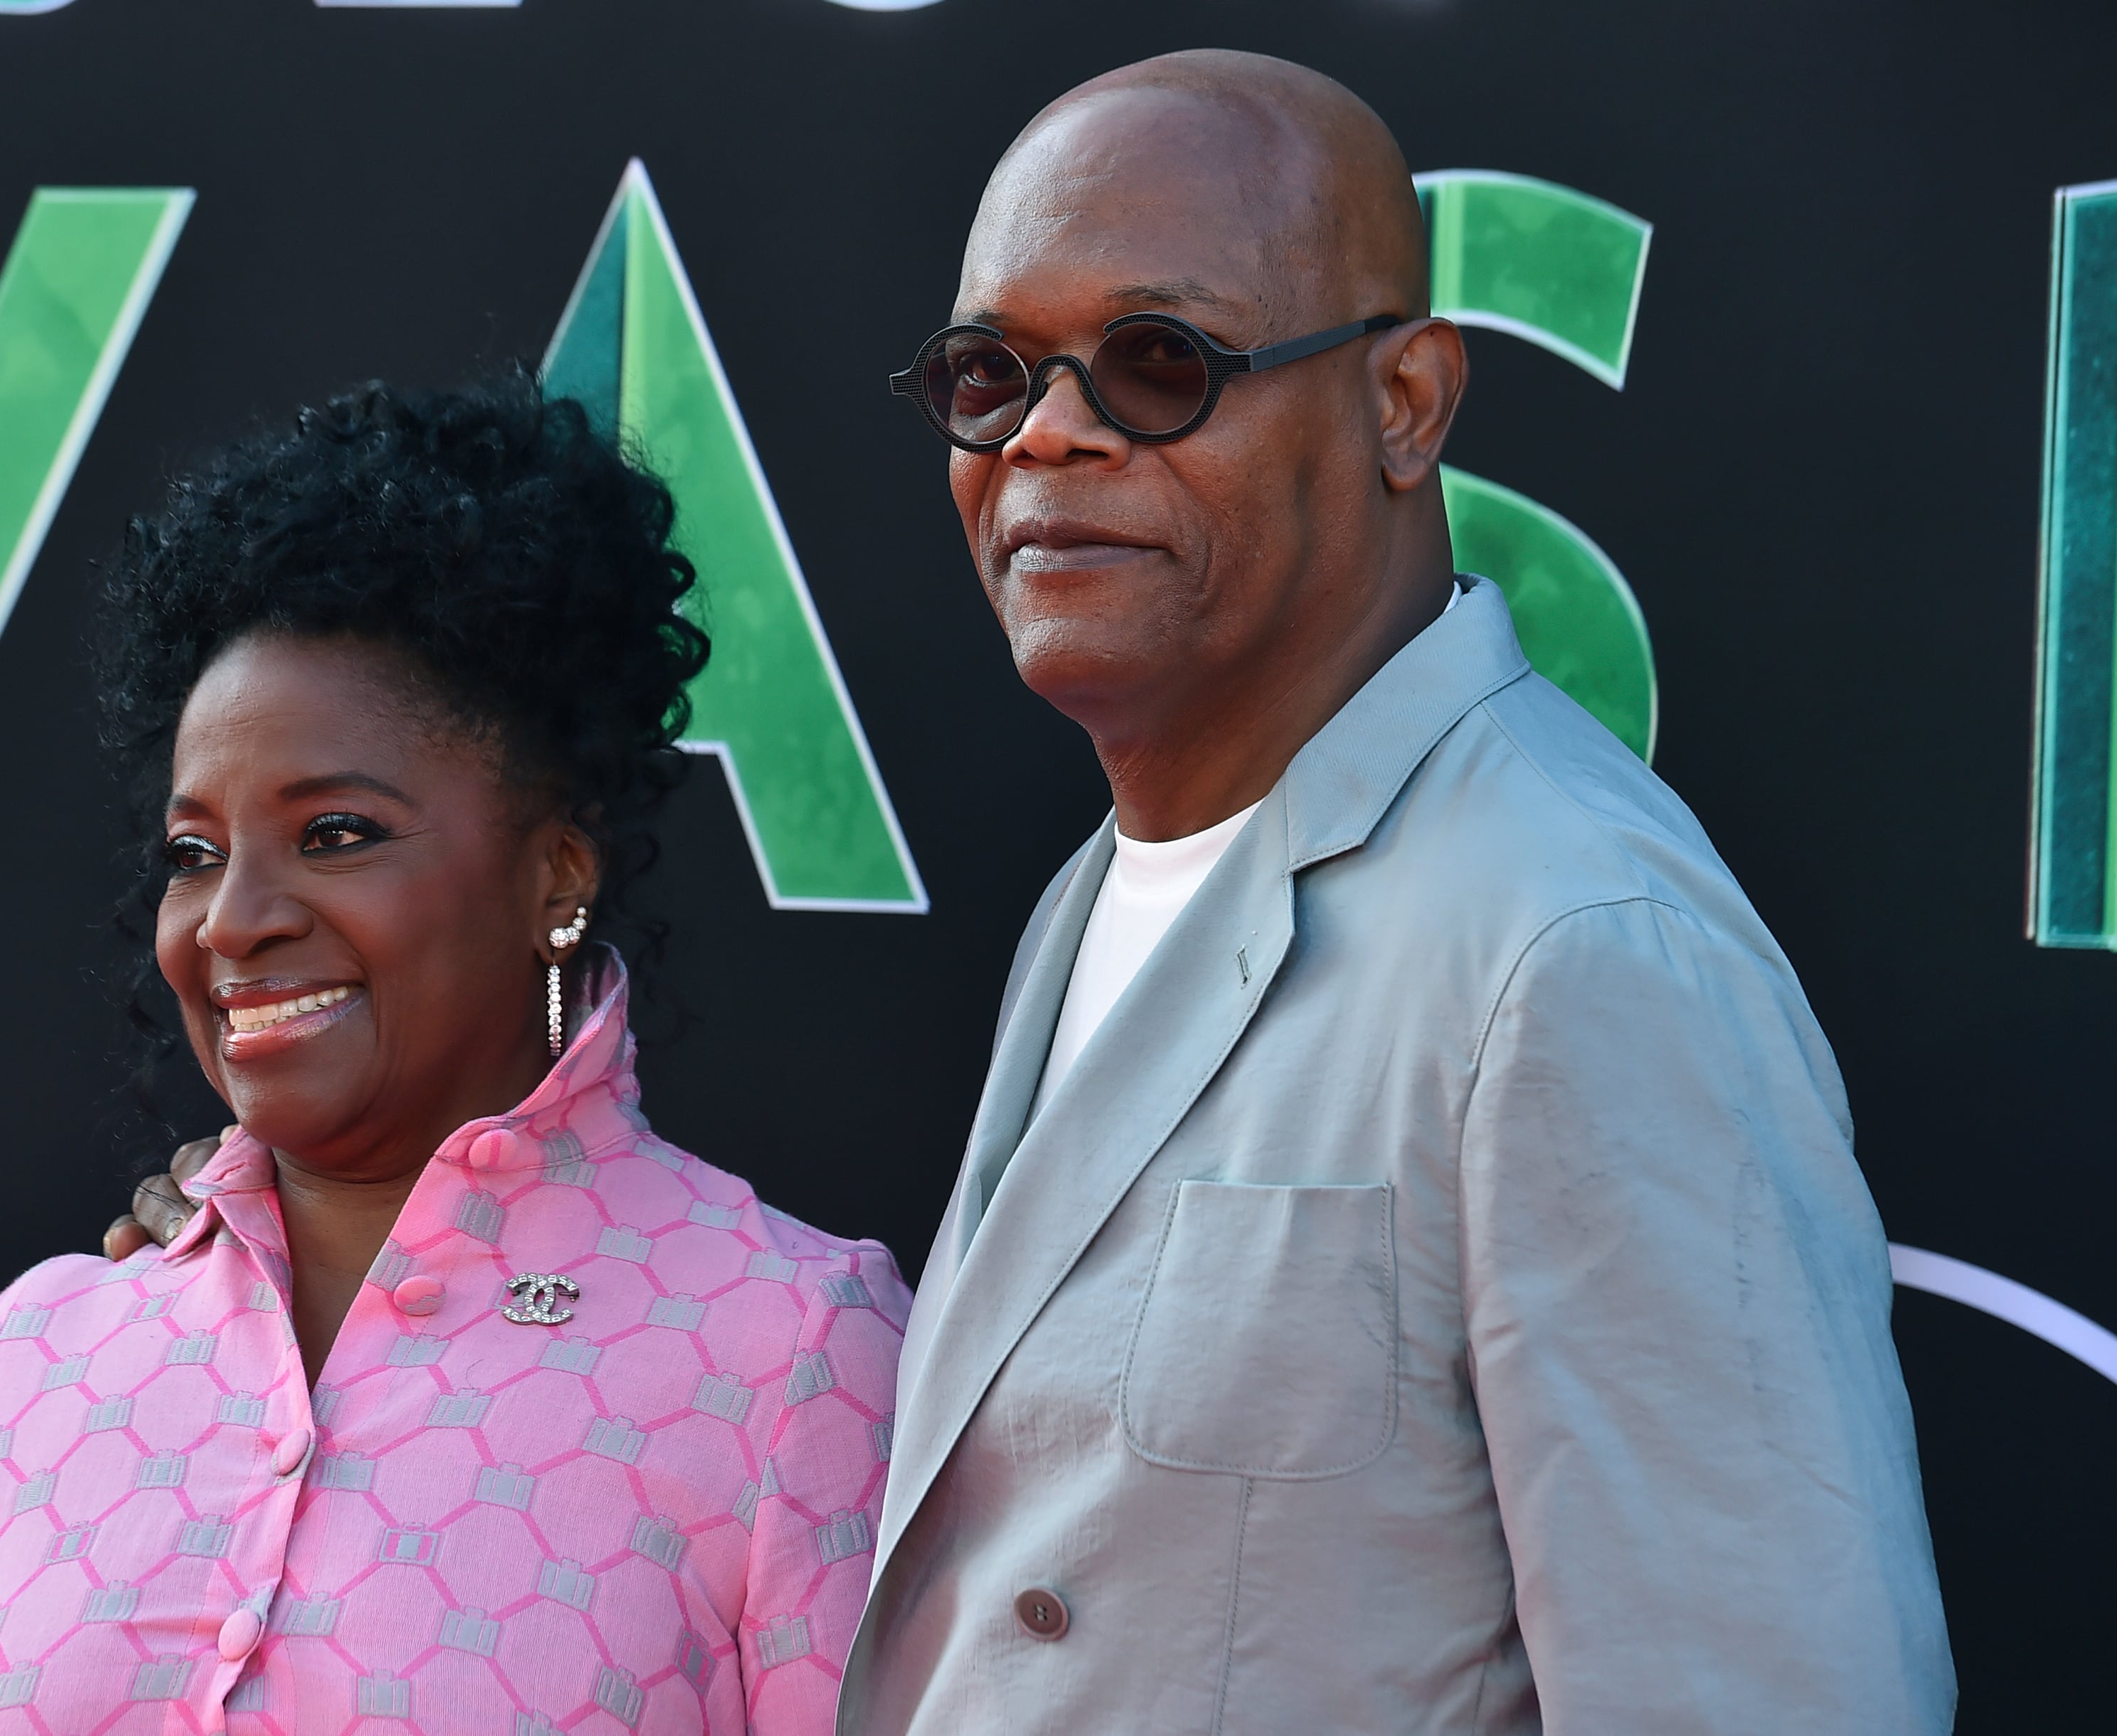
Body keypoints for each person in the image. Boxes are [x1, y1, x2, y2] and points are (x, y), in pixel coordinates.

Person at [120, 52, 1954, 1732]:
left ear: (1407, 403)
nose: (1049, 441)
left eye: (1165, 363)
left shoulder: (1575, 950)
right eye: (992, 376)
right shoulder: (1112, 897)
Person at [0, 377, 908, 1736]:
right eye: (194, 854)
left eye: (337, 835)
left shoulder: (789, 1349)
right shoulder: (34, 1360)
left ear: (555, 874)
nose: (235, 918)